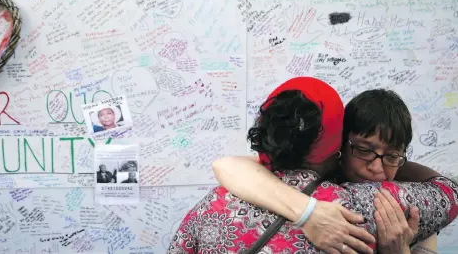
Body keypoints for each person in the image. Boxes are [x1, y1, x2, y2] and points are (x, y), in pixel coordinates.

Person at [168, 77, 458, 254]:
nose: (376, 168)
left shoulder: (219, 199)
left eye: (392, 156)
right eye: (365, 150)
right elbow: (450, 191)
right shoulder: (362, 206)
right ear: (339, 146)